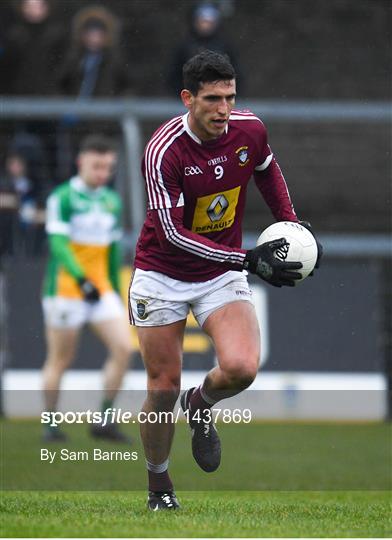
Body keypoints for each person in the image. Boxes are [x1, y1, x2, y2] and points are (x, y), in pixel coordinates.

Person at [129, 50, 323, 510]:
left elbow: (267, 170)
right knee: (162, 385)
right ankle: (159, 487)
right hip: (161, 274)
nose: (223, 109)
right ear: (187, 99)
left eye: (230, 97)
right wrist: (247, 259)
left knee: (242, 368)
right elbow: (174, 236)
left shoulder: (249, 128)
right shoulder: (163, 150)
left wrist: (293, 227)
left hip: (220, 272)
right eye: (212, 98)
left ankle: (201, 402)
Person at [42, 135, 132, 442]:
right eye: (97, 166)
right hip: (67, 289)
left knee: (123, 348)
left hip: (101, 290)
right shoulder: (63, 197)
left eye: (108, 168)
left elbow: (112, 251)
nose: (102, 174)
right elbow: (58, 245)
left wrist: (116, 292)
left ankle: (104, 419)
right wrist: (81, 279)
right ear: (81, 162)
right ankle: (51, 424)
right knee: (61, 359)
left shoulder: (111, 201)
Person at [167, 2, 242, 96]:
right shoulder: (185, 46)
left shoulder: (225, 46)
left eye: (209, 22)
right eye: (202, 21)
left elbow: (237, 74)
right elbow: (174, 75)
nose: (205, 25)